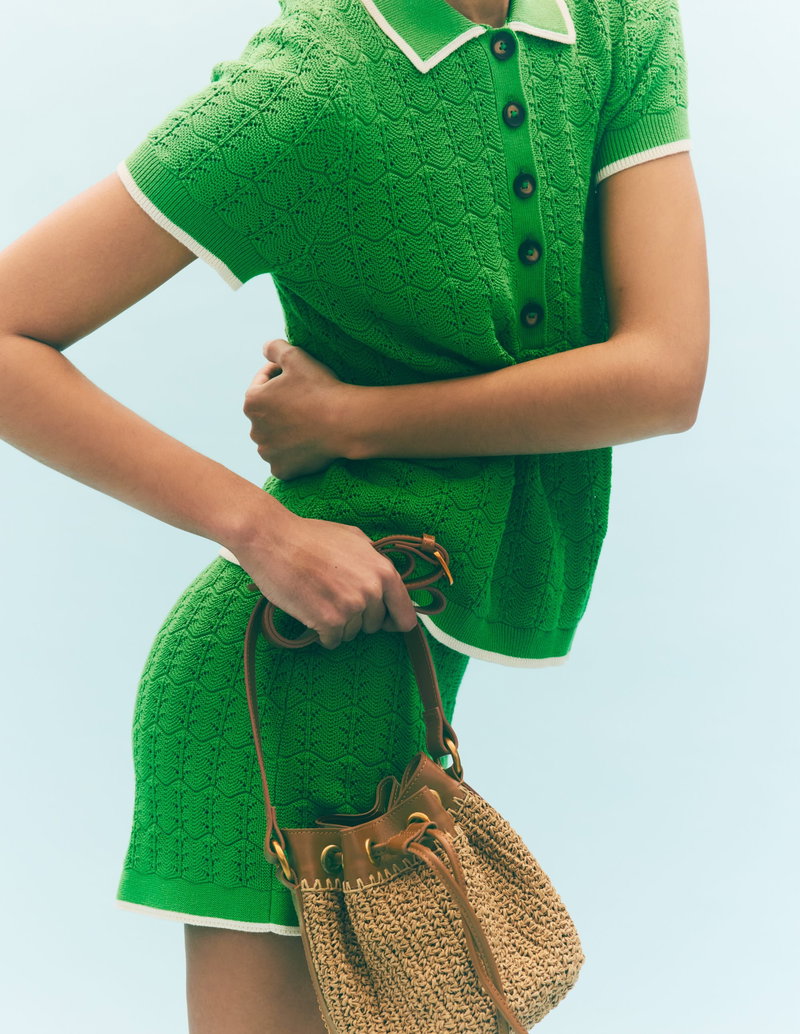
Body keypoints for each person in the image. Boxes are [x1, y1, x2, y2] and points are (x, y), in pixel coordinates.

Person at [0, 0, 709, 1031]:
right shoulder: (308, 83)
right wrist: (261, 532)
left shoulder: (618, 24)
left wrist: (348, 420)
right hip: (276, 674)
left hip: (396, 646)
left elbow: (662, 377)